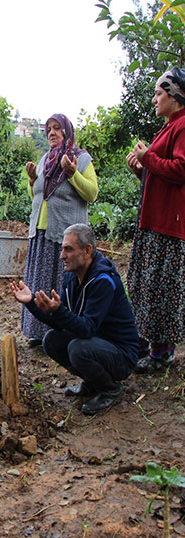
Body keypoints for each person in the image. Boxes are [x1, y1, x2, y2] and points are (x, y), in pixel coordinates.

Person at [10, 224, 139, 415]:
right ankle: (93, 381)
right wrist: (31, 303)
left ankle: (110, 388)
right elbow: (63, 322)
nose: (62, 255)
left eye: (68, 249)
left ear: (87, 250)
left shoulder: (103, 281)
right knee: (51, 340)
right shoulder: (72, 276)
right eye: (63, 249)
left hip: (121, 355)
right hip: (97, 344)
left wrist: (59, 310)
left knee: (78, 348)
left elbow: (86, 329)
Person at [125, 67, 185, 373]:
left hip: (167, 224)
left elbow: (180, 170)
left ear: (175, 97)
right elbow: (160, 176)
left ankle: (163, 354)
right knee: (145, 286)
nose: (154, 99)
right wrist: (140, 169)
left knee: (161, 287)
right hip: (152, 220)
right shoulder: (167, 127)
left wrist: (147, 157)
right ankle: (144, 346)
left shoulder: (183, 125)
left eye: (159, 93)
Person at [21, 114, 98, 348]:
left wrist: (73, 174)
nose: (52, 133)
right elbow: (37, 196)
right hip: (41, 233)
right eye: (48, 130)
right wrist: (32, 180)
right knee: (39, 282)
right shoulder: (45, 159)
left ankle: (61, 332)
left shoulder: (81, 159)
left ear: (67, 131)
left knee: (60, 285)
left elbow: (92, 194)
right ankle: (38, 331)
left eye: (57, 128)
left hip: (65, 235)